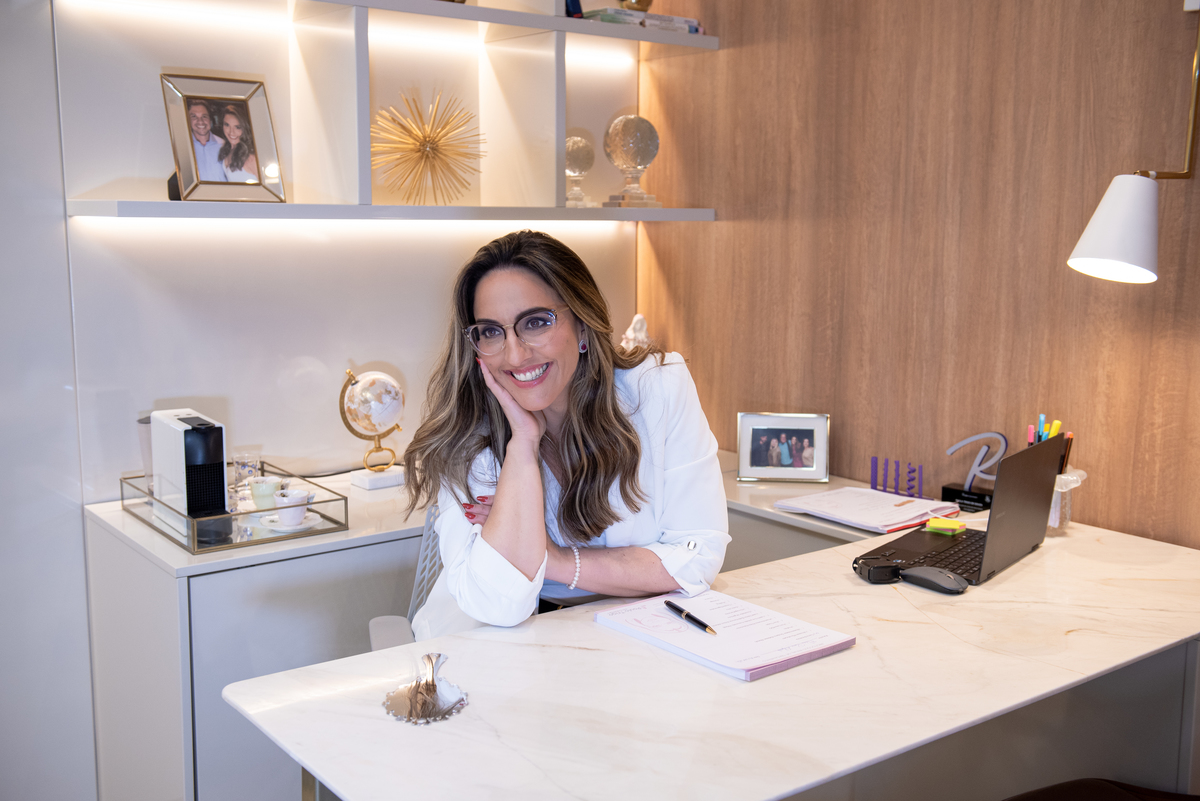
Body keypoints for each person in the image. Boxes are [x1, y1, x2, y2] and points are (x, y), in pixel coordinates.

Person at [403, 231, 729, 639]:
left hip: (632, 630)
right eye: (490, 332)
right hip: (493, 643)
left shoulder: (657, 388)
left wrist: (553, 559)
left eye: (536, 322)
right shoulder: (470, 430)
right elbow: (498, 604)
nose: (515, 354)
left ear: (583, 326)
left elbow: (698, 558)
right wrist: (523, 445)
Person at [217, 104, 259, 183]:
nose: (231, 132)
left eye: (237, 127)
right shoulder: (226, 150)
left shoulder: (251, 157)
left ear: (244, 128)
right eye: (227, 125)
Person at [188, 99, 225, 182]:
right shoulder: (184, 148)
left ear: (210, 120)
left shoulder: (224, 145)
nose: (200, 121)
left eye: (204, 116)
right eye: (194, 116)